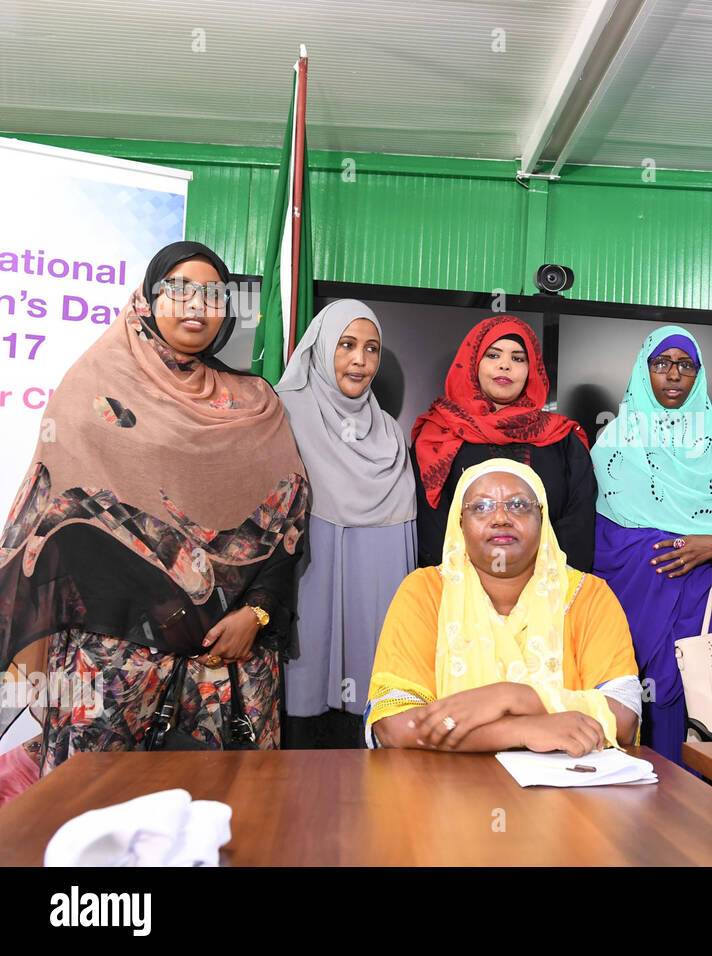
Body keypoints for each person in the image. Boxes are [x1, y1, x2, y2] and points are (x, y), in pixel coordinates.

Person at [0, 241, 309, 786]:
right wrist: (168, 612)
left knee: (226, 808)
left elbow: (287, 522)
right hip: (118, 653)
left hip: (228, 657)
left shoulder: (255, 402)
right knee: (96, 805)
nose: (197, 304)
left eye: (213, 293)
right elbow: (62, 523)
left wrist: (256, 614)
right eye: (180, 288)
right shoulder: (93, 389)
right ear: (148, 296)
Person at [365, 459, 640, 753]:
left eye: (518, 505)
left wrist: (511, 697)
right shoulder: (426, 591)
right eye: (481, 507)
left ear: (542, 519)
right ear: (460, 523)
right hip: (447, 780)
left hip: (568, 780)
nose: (500, 518)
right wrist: (520, 730)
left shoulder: (588, 595)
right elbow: (393, 726)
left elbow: (624, 718)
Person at [591, 326, 712, 766]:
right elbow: (598, 546)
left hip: (705, 628)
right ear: (643, 370)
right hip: (635, 615)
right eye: (661, 363)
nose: (674, 374)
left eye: (686, 365)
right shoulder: (612, 444)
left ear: (699, 375)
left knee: (704, 743)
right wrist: (663, 551)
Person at [275, 300, 417, 748]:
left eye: (371, 349)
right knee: (302, 732)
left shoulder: (389, 432)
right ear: (320, 348)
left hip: (374, 589)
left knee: (362, 744)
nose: (360, 360)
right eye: (347, 345)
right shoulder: (282, 414)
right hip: (305, 581)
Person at [410, 315, 596, 571]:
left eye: (518, 358)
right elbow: (431, 524)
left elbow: (579, 521)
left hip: (549, 583)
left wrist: (540, 578)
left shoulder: (562, 438)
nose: (505, 365)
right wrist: (477, 581)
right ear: (473, 363)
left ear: (532, 370)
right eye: (493, 355)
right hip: (461, 584)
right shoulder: (440, 433)